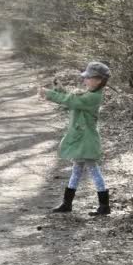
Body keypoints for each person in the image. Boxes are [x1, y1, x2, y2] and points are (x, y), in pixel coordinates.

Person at [38, 62, 111, 216]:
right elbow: (71, 99)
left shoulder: (93, 97)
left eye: (88, 78)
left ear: (99, 80)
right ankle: (67, 203)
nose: (85, 80)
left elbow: (73, 101)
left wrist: (50, 94)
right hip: (81, 140)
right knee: (76, 171)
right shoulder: (88, 94)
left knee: (93, 170)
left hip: (87, 141)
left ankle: (104, 206)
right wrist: (59, 89)